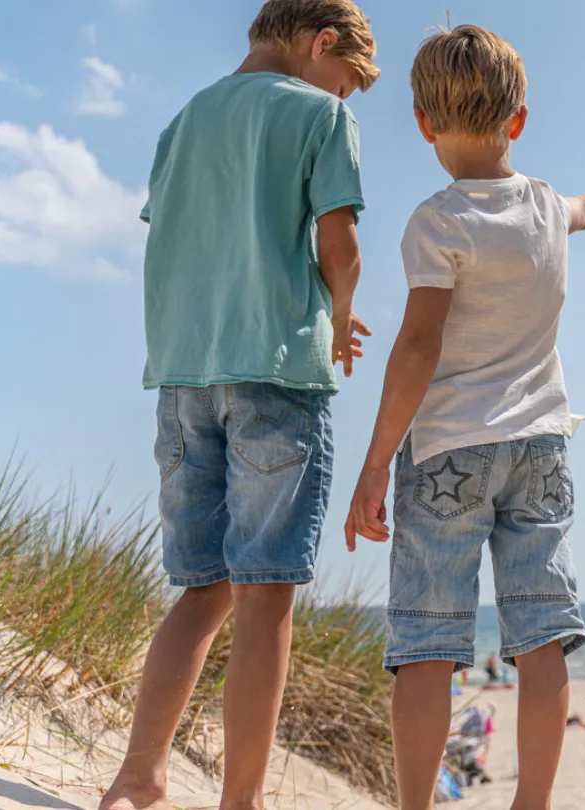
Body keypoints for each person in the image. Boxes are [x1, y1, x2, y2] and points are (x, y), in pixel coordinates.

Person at [342, 23, 585, 810]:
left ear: (423, 124)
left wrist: (374, 463)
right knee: (541, 635)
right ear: (519, 119)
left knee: (427, 643)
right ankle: (531, 803)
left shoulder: (438, 221)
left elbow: (418, 346)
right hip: (540, 446)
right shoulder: (545, 206)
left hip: (449, 449)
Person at [101, 3, 379, 810]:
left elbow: (184, 240)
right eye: (344, 82)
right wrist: (341, 314)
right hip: (276, 372)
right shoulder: (322, 117)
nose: (341, 98)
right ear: (321, 42)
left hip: (183, 377)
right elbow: (340, 247)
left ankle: (138, 778)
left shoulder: (183, 121)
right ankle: (242, 801)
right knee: (265, 594)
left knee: (203, 589)